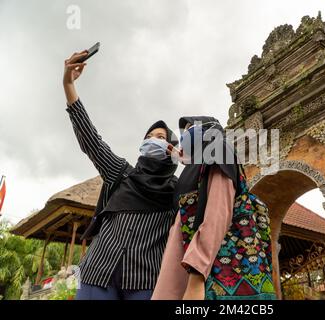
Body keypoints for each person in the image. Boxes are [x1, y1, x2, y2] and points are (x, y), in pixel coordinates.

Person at [63, 51, 179, 300]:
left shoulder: (179, 190)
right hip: (97, 272)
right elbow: (90, 139)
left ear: (173, 148)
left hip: (146, 280)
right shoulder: (121, 173)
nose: (152, 140)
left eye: (160, 138)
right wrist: (68, 84)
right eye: (148, 137)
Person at [152, 116, 275, 300]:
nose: (185, 134)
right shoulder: (197, 165)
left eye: (190, 128)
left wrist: (196, 276)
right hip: (181, 265)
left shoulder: (219, 149)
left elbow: (218, 214)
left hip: (202, 274)